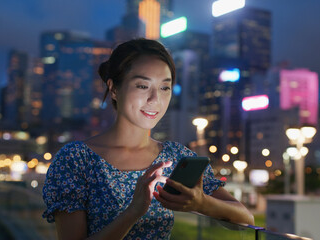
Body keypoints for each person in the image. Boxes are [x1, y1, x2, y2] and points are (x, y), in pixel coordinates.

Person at [42, 38, 254, 240]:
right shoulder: (76, 160)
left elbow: (245, 217)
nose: (155, 100)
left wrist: (201, 203)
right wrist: (133, 212)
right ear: (114, 88)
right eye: (143, 86)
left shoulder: (176, 157)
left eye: (164, 88)